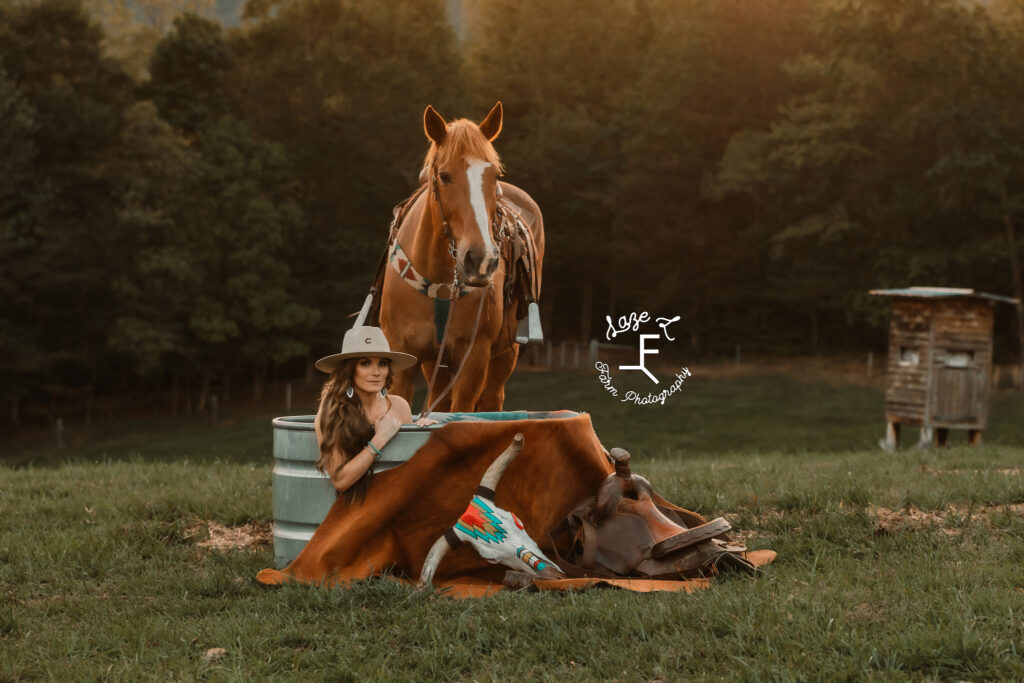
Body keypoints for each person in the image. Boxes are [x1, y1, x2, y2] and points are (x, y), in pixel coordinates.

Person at [313, 326, 435, 502]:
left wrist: (422, 434)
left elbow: (409, 468)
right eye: (365, 363)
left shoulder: (399, 406)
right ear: (349, 369)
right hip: (354, 511)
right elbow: (340, 481)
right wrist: (380, 439)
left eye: (383, 363)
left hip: (398, 503)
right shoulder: (334, 410)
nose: (376, 372)